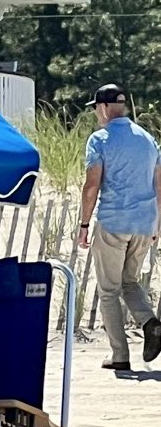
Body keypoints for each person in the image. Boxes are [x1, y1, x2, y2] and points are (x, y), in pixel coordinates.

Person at [78, 84, 161, 370]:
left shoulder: (99, 139)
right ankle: (150, 323)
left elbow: (92, 185)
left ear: (103, 107)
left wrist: (84, 224)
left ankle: (119, 355)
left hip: (114, 221)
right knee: (130, 282)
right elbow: (159, 185)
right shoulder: (148, 140)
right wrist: (157, 223)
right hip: (144, 223)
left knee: (109, 290)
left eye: (95, 109)